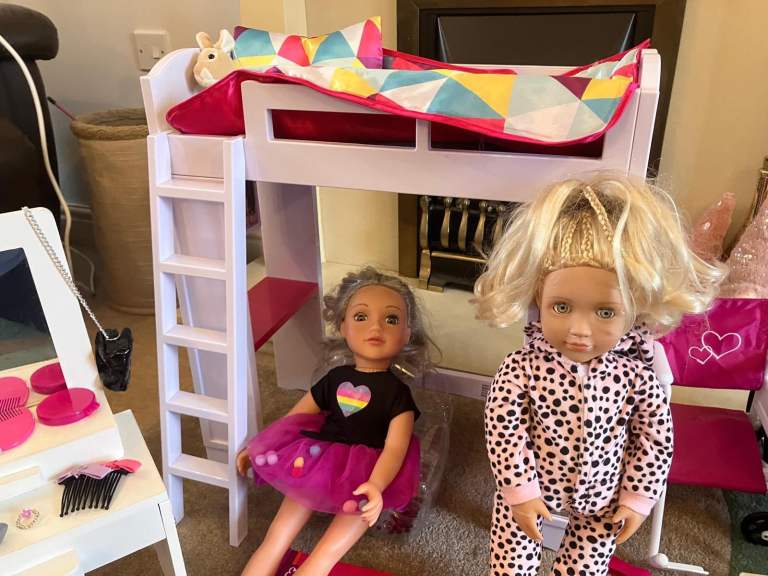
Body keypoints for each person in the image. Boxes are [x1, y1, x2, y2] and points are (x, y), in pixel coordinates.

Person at [473, 175, 725, 575]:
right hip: (532, 486)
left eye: (605, 312)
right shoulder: (521, 368)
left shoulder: (637, 377)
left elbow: (654, 439)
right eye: (561, 307)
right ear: (539, 295)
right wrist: (518, 491)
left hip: (604, 499)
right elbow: (504, 430)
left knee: (587, 567)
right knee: (510, 563)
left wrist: (638, 497)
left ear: (635, 307)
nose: (579, 330)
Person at [237, 267, 435, 576]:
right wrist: (261, 446)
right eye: (361, 316)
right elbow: (296, 417)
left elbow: (395, 449)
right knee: (275, 538)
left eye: (391, 319)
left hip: (367, 473)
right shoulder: (334, 378)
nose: (376, 326)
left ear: (407, 334)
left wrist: (376, 485)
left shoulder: (398, 394)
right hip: (317, 460)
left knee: (325, 554)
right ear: (342, 325)